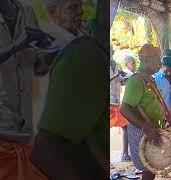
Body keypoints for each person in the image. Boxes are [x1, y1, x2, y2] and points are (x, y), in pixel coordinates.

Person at [0, 0, 52, 179]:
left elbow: (38, 67)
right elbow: (21, 47)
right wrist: (18, 45)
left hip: (24, 129)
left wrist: (49, 52)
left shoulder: (27, 12)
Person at [32, 0, 84, 140]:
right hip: (56, 128)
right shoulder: (44, 41)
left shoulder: (82, 37)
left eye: (80, 6)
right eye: (72, 8)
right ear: (52, 12)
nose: (80, 12)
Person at [120, 44, 167, 180]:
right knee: (148, 168)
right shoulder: (136, 81)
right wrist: (147, 127)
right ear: (145, 60)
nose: (160, 63)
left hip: (151, 130)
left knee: (152, 168)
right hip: (142, 132)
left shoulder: (149, 79)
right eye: (157, 59)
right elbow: (124, 109)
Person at [110, 47, 131, 161]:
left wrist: (125, 79)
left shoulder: (117, 65)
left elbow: (120, 82)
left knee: (125, 127)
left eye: (111, 51)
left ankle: (125, 154)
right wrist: (116, 76)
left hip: (117, 102)